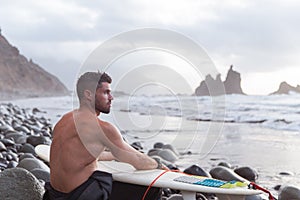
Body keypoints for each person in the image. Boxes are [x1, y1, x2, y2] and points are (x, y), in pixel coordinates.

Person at [43, 72, 166, 200]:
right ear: (88, 94)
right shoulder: (101, 128)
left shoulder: (65, 120)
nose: (111, 97)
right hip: (78, 196)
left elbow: (78, 156)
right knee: (153, 187)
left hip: (54, 195)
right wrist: (157, 164)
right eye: (106, 92)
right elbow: (138, 161)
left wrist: (114, 155)